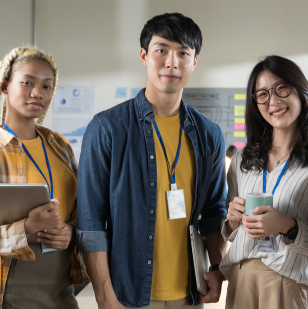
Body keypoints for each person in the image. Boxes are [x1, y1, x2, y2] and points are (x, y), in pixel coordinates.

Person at [76, 13, 227, 309]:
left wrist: (218, 270)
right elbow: (91, 222)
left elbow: (213, 213)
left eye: (183, 53)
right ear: (144, 55)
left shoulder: (209, 134)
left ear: (194, 61)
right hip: (128, 294)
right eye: (162, 50)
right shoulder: (107, 128)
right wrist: (105, 297)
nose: (172, 62)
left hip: (189, 292)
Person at [0, 46, 89, 309]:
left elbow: (79, 211)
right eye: (28, 82)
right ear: (5, 86)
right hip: (11, 297)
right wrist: (25, 228)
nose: (38, 93)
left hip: (63, 294)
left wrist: (71, 230)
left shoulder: (60, 146)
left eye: (47, 86)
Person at [220, 55, 308, 309]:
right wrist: (231, 221)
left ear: (300, 92)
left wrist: (288, 226)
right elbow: (230, 232)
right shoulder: (242, 159)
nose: (273, 101)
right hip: (241, 279)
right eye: (262, 94)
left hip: (288, 285)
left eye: (281, 89)